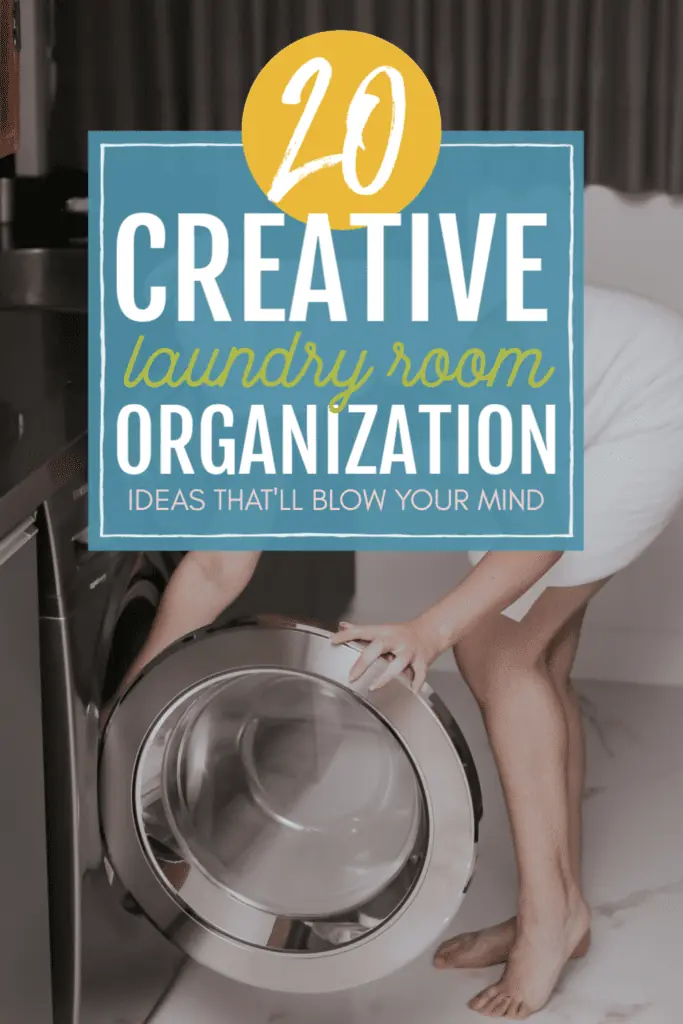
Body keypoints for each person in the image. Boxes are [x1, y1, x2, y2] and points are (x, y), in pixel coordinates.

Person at [119, 285, 683, 1020]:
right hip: (576, 410)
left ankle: (548, 921)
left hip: (642, 401)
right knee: (531, 660)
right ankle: (559, 909)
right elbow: (217, 567)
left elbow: (542, 531)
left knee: (500, 656)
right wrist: (137, 704)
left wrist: (427, 632)